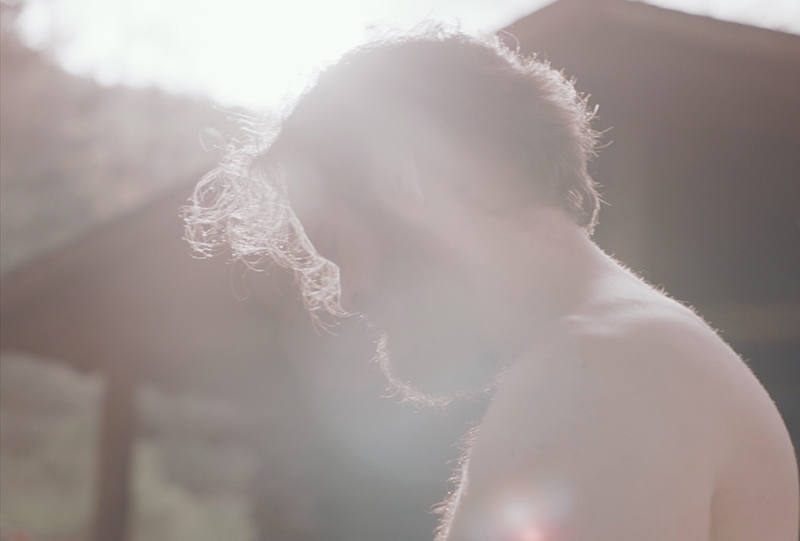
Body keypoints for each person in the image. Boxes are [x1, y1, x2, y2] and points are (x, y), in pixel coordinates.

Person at [184, 30, 799, 540]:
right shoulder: (619, 356)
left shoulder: (601, 371)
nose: (348, 295)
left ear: (411, 177)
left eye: (337, 246)